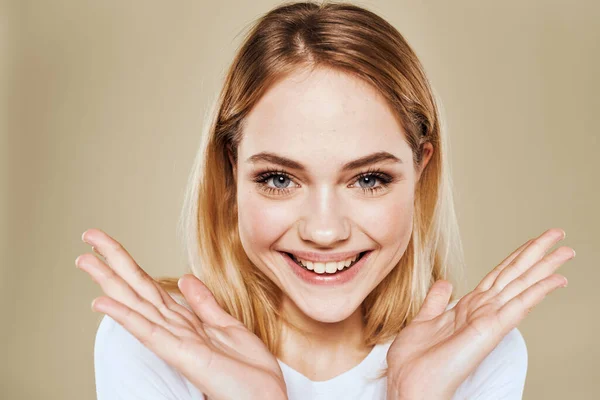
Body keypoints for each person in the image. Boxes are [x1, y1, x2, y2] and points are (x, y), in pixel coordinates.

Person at [76, 1, 575, 399]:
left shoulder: (475, 352)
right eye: (278, 179)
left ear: (421, 169)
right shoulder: (152, 341)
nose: (324, 230)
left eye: (369, 179)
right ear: (231, 169)